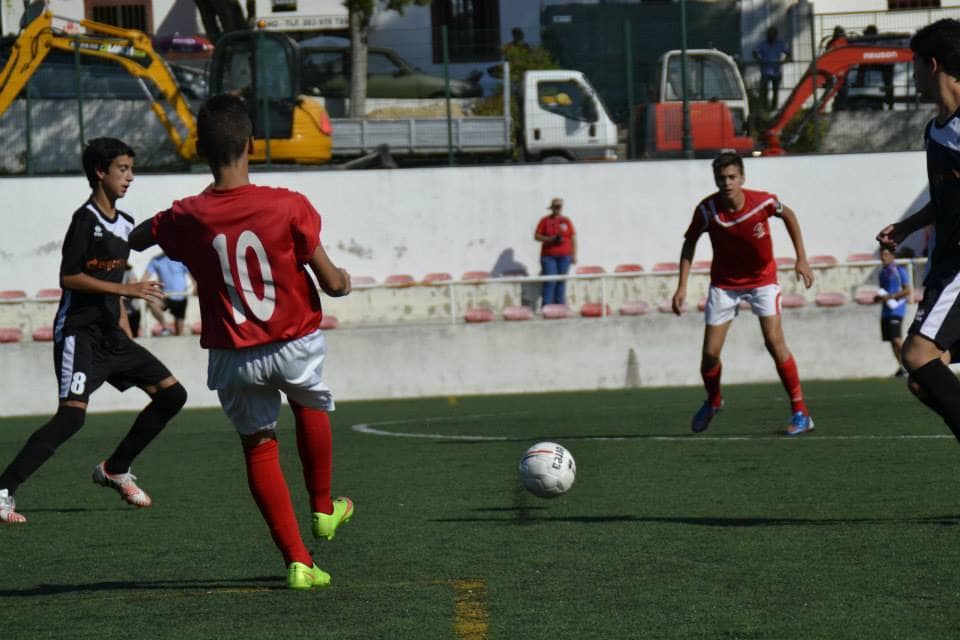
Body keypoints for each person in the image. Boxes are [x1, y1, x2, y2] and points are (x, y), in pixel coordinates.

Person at [128, 94, 353, 591]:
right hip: (291, 341)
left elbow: (140, 237)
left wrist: (146, 228)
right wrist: (344, 282)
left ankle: (298, 561)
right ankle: (322, 508)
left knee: (258, 447)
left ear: (199, 149)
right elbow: (333, 283)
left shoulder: (187, 215)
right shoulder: (289, 204)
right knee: (307, 404)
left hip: (233, 352)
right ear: (252, 145)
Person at [0, 138, 187, 524]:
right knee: (71, 418)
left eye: (132, 169)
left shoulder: (126, 224)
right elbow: (70, 277)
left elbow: (114, 282)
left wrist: (123, 323)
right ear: (100, 172)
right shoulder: (84, 219)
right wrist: (127, 290)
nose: (130, 177)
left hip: (111, 337)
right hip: (78, 334)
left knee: (172, 395)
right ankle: (3, 490)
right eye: (123, 169)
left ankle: (116, 468)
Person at [671, 151, 815, 435]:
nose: (727, 183)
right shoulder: (707, 210)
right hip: (725, 284)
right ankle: (714, 401)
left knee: (774, 341)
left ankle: (801, 413)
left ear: (742, 178)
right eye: (721, 178)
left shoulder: (763, 202)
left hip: (763, 280)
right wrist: (682, 286)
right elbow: (689, 244)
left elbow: (790, 216)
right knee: (710, 355)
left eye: (732, 177)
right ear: (715, 179)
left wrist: (801, 258)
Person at [876, 18, 960, 445]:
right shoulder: (937, 130)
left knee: (916, 354)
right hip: (945, 267)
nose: (912, 77)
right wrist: (908, 225)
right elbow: (947, 199)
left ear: (932, 65)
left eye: (913, 66)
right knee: (923, 379)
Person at [534, 197, 577, 307]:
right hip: (549, 257)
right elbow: (537, 236)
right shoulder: (544, 220)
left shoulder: (566, 221)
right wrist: (550, 239)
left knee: (561, 282)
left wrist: (574, 254)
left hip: (565, 256)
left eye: (560, 206)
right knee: (550, 282)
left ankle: (560, 307)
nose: (558, 208)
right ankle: (546, 308)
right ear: (552, 207)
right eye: (556, 206)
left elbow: (573, 238)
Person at [876, 246, 912, 377]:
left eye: (885, 255)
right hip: (886, 310)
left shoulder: (899, 270)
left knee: (897, 339)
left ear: (892, 256)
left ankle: (911, 364)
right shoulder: (882, 273)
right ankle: (902, 367)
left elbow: (907, 290)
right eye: (881, 255)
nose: (883, 258)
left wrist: (891, 297)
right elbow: (883, 290)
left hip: (897, 309)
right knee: (891, 341)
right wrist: (879, 297)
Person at [144, 252, 192, 336]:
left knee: (179, 332)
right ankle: (165, 326)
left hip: (181, 296)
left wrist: (196, 287)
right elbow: (144, 279)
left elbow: (193, 275)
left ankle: (178, 343)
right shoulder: (156, 260)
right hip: (165, 296)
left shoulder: (182, 258)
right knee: (150, 300)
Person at [753, 26, 792, 110]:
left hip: (776, 71)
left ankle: (774, 108)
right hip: (765, 71)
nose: (770, 36)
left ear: (776, 35)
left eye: (772, 34)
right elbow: (755, 52)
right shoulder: (763, 44)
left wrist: (783, 62)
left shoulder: (780, 44)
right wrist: (759, 60)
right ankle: (764, 107)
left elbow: (789, 54)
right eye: (769, 34)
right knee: (764, 90)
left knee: (775, 90)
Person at [121, 263, 142, 338]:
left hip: (132, 311)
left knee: (133, 336)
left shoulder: (129, 272)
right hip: (120, 313)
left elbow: (133, 288)